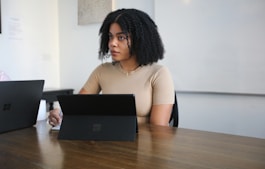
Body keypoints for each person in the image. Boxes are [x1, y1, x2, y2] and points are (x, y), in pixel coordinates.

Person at [48, 8, 175, 127]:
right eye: (110, 37)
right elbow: (76, 107)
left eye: (121, 37)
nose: (112, 43)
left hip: (143, 147)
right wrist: (59, 113)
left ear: (140, 40)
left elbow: (158, 131)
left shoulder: (159, 74)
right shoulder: (102, 71)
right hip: (108, 143)